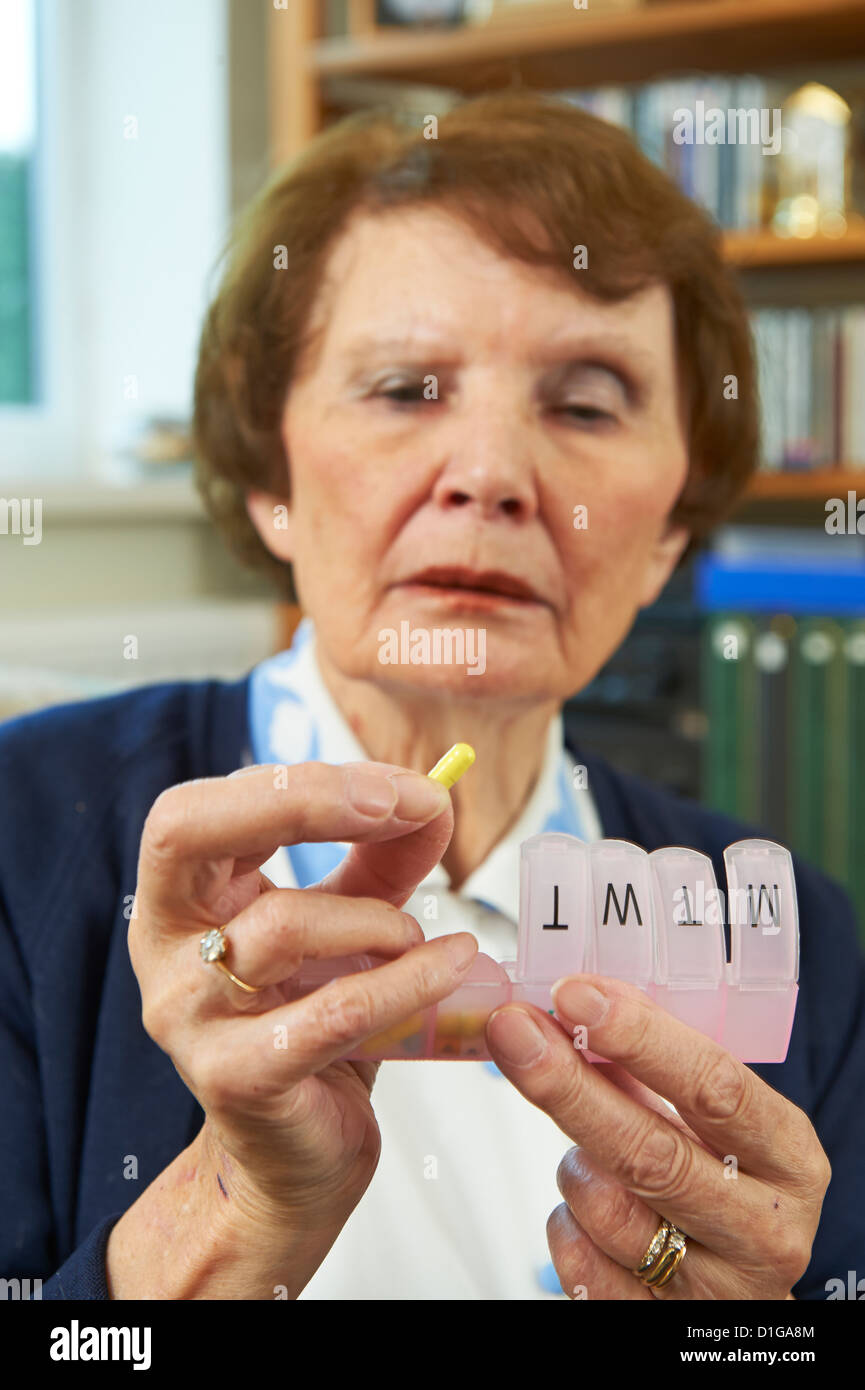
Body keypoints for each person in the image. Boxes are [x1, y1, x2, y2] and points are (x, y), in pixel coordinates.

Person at [1, 90, 861, 1301]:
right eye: (406, 388)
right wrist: (219, 1232)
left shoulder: (794, 939)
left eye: (584, 402)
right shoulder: (22, 837)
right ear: (269, 475)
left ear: (671, 527)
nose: (494, 474)